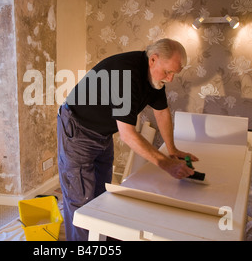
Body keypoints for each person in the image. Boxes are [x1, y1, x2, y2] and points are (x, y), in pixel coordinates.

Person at [57, 38, 198, 241]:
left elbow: (162, 113)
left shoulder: (154, 80)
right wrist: (166, 164)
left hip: (102, 133)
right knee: (81, 200)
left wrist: (172, 149)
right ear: (153, 60)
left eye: (174, 73)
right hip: (78, 130)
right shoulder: (126, 75)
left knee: (100, 196)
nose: (171, 78)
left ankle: (101, 240)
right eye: (168, 72)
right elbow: (128, 134)